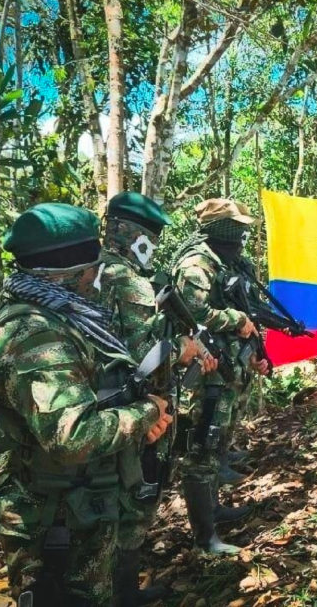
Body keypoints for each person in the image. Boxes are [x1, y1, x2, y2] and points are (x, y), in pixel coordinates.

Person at [0, 203, 172, 605]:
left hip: (83, 507)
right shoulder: (36, 338)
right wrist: (148, 412)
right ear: (69, 274)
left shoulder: (67, 319)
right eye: (92, 268)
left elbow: (99, 395)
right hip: (52, 525)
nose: (96, 277)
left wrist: (137, 423)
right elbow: (74, 436)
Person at [99, 192, 216, 604]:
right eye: (154, 236)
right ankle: (124, 593)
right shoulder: (127, 279)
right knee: (135, 502)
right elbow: (143, 352)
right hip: (135, 409)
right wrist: (180, 347)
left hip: (104, 410)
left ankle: (120, 588)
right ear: (139, 238)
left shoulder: (89, 272)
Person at [172, 198, 269, 555]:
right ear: (217, 229)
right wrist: (235, 321)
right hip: (207, 374)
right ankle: (205, 538)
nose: (241, 233)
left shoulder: (231, 261)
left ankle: (213, 510)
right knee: (201, 452)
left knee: (216, 445)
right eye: (235, 226)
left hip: (231, 368)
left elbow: (250, 308)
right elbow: (193, 312)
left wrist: (258, 349)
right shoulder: (197, 265)